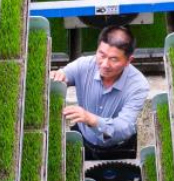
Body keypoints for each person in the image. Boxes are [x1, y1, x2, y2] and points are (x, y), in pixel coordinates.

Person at [50, 25, 150, 155]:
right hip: (82, 139)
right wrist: (57, 75)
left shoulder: (138, 85)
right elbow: (64, 74)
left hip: (119, 147)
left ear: (128, 61)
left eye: (113, 59)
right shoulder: (83, 65)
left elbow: (124, 126)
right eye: (101, 55)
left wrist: (91, 119)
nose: (104, 64)